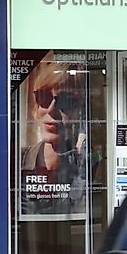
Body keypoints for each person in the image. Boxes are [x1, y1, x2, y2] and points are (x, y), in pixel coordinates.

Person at [20, 59, 87, 218]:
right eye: (43, 98)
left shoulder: (86, 167)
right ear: (35, 108)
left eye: (65, 100)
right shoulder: (16, 162)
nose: (51, 110)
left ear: (80, 111)